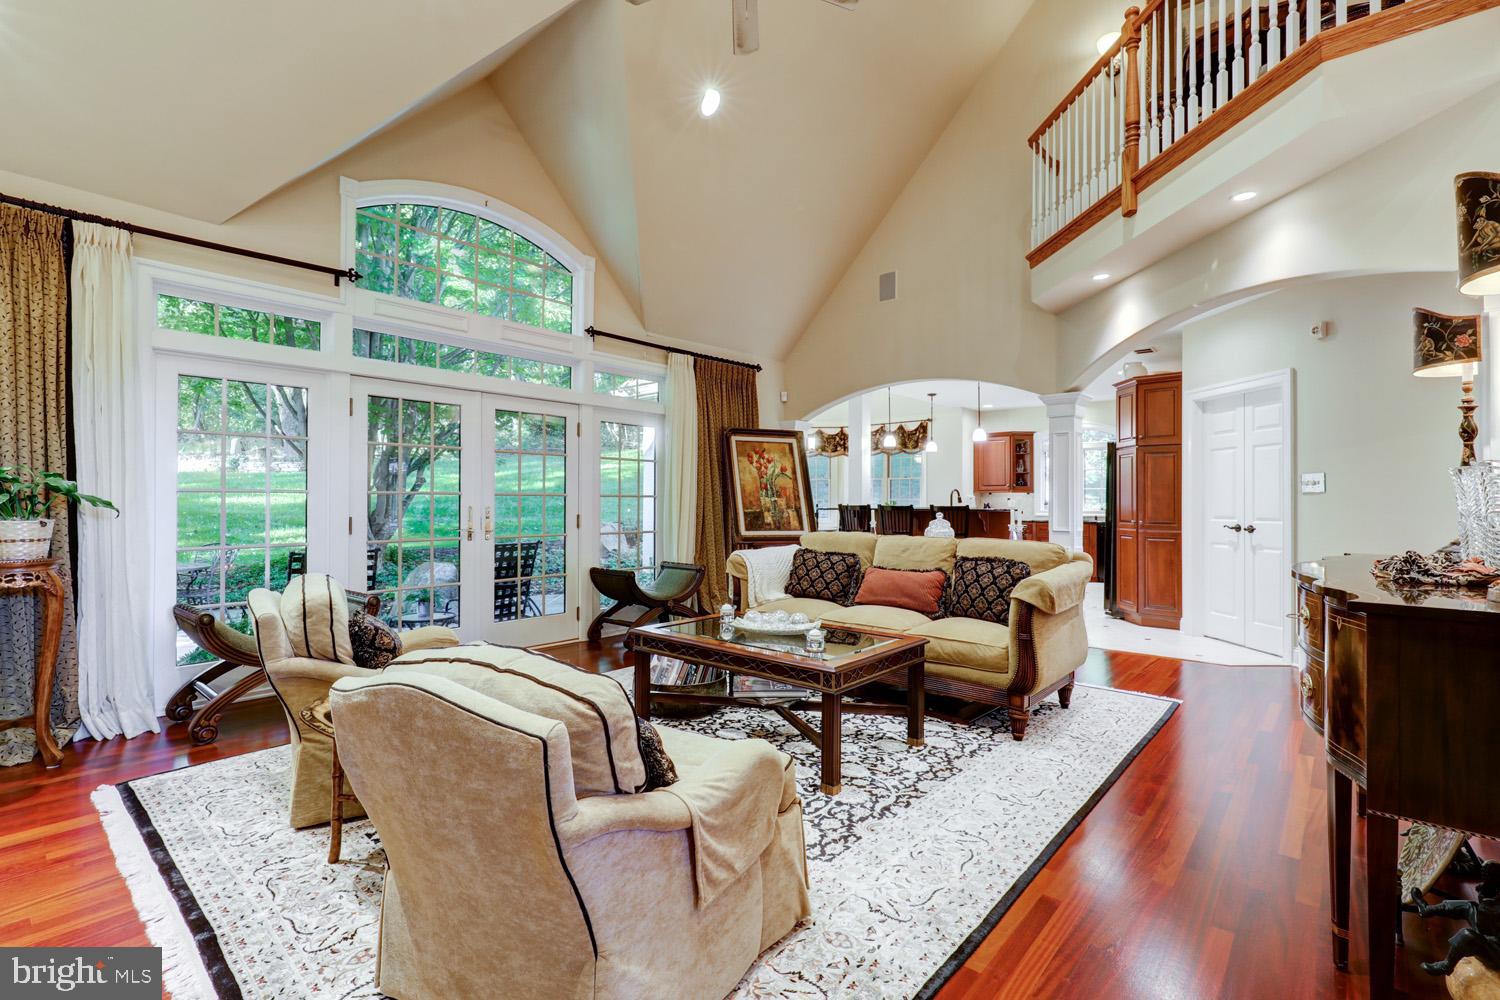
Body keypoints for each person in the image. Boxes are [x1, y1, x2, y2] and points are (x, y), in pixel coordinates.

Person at [1411, 861, 1500, 976]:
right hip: (1493, 933)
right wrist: (1490, 885)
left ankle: (1447, 966)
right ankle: (1427, 909)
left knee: (1467, 935)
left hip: (1496, 953)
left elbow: (1487, 914)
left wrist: (1490, 885)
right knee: (1468, 907)